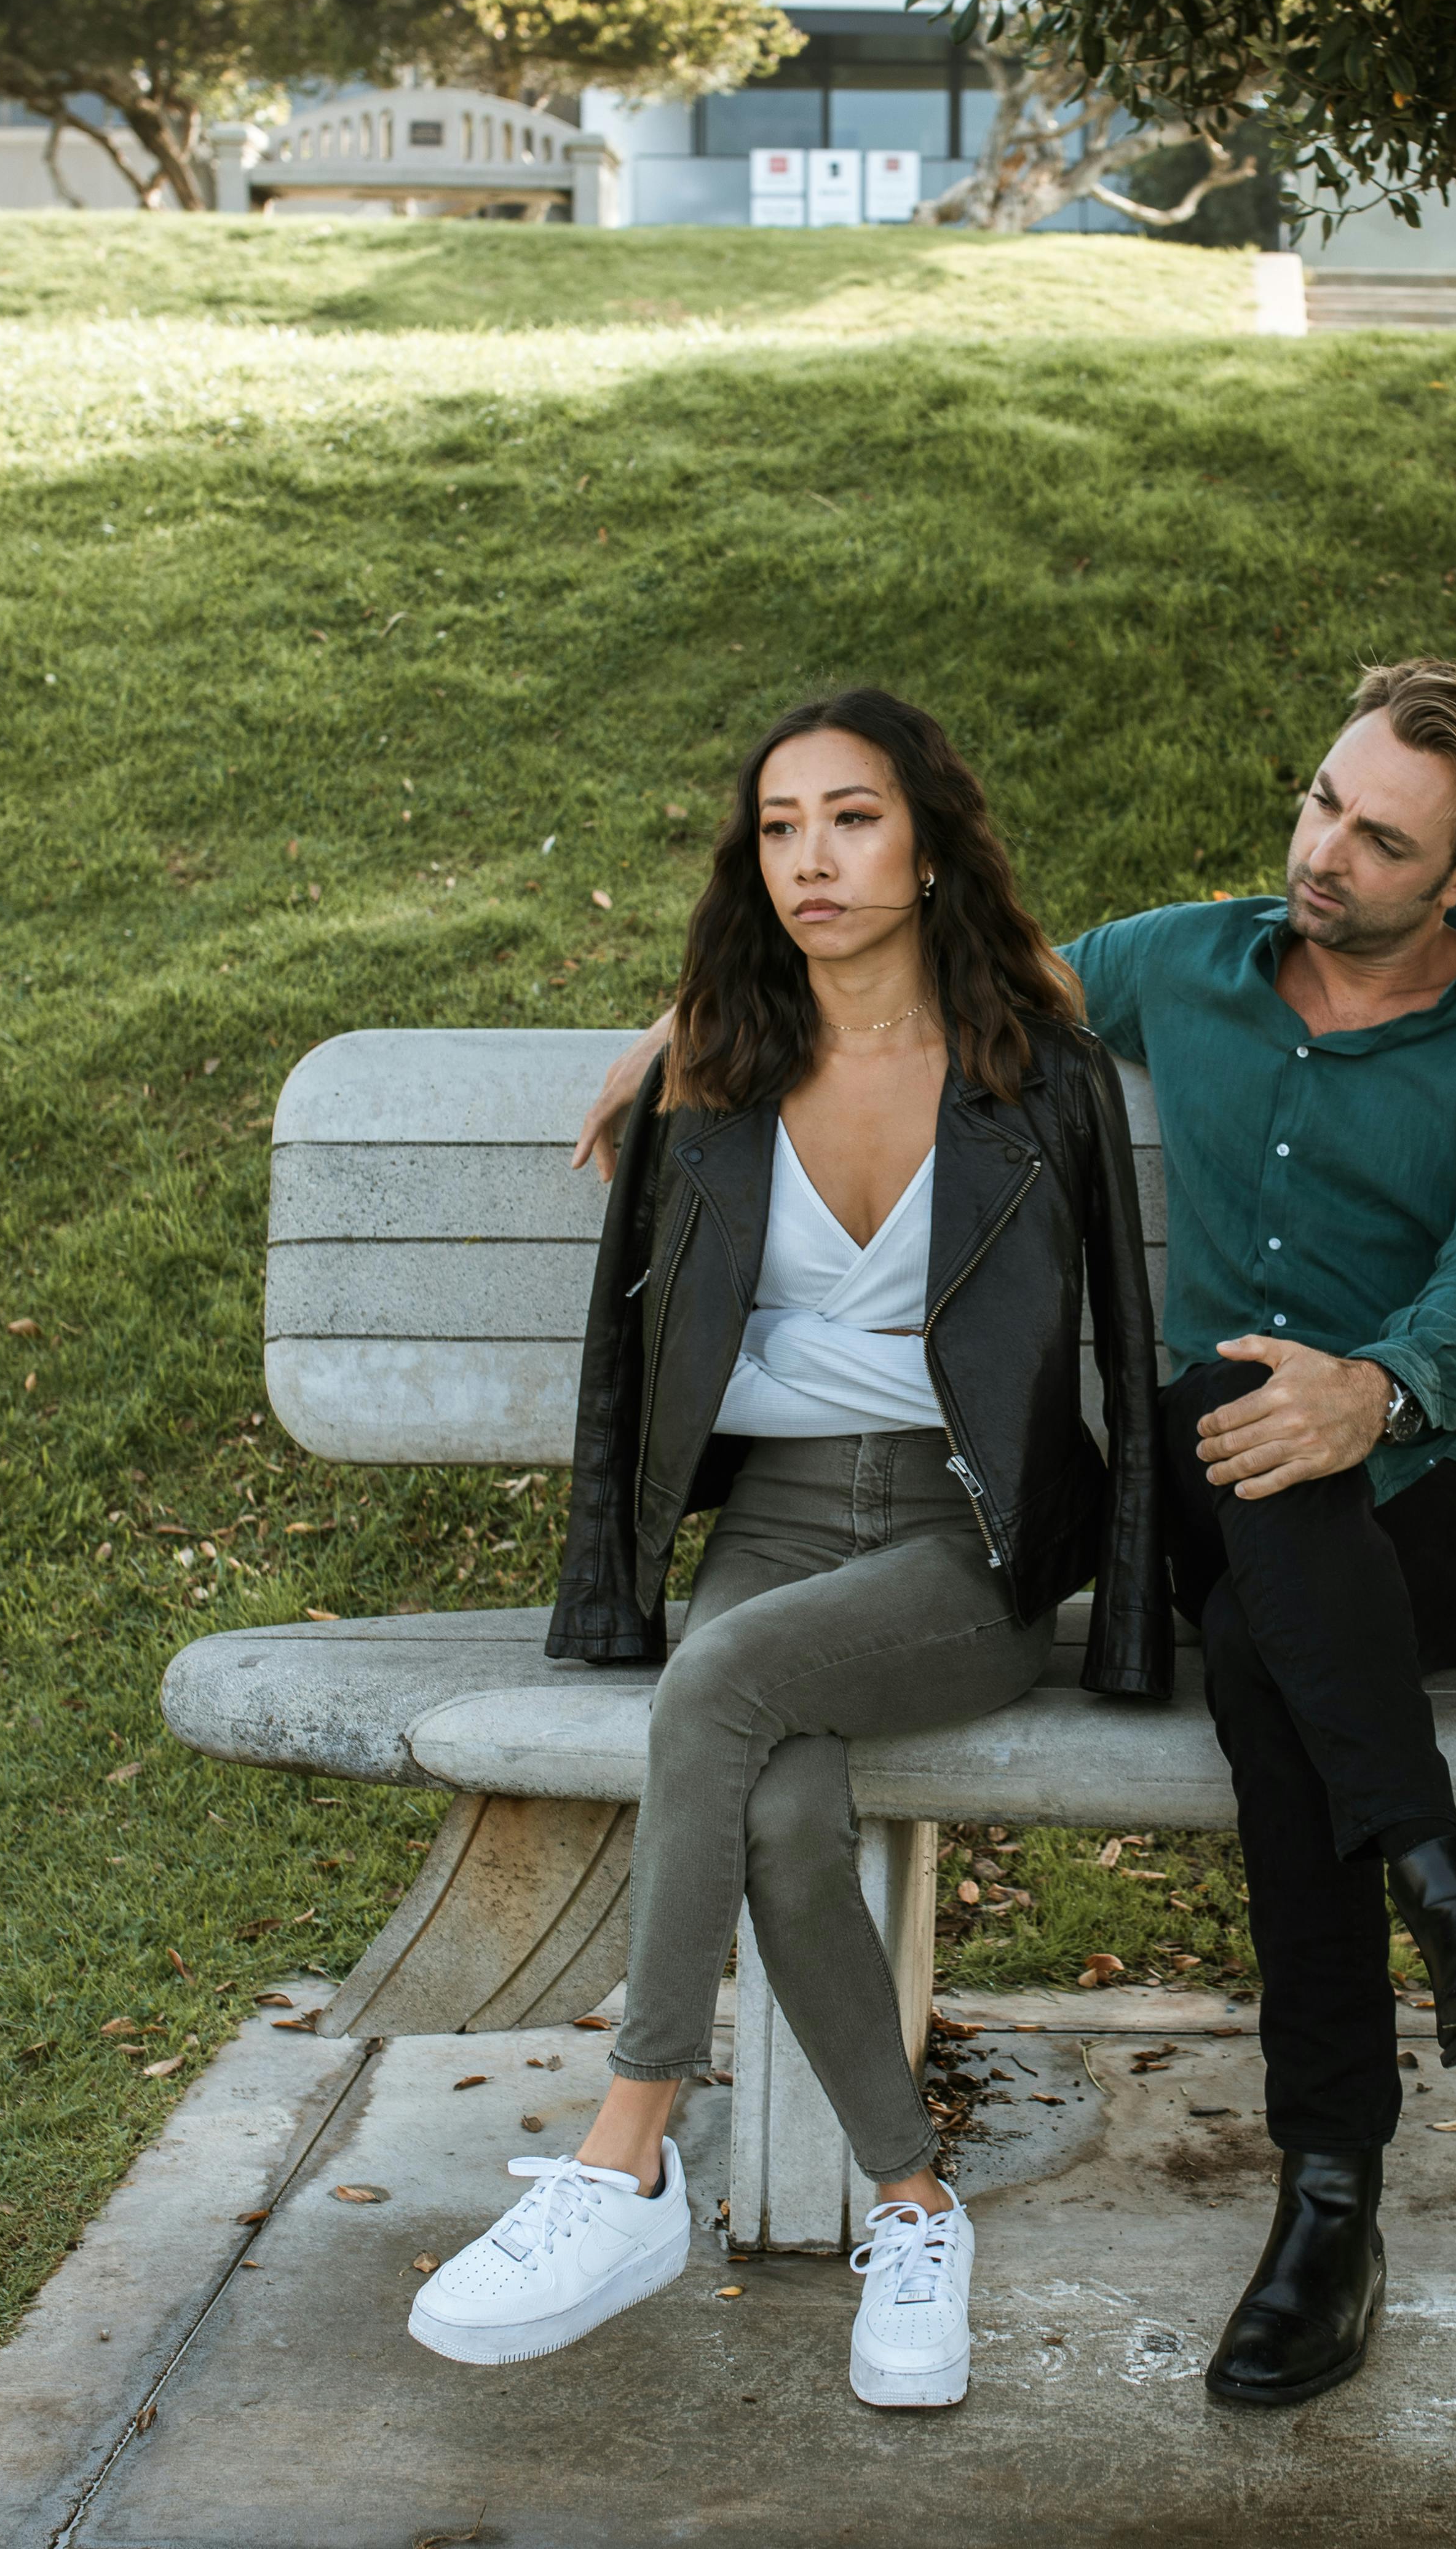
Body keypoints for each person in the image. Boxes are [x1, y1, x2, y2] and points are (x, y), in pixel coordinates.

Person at [571, 660, 1456, 2414]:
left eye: (1382, 841)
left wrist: (1378, 1391)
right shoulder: (1185, 960)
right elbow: (923, 978)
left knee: (1286, 1658)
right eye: (1320, 803)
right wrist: (688, 1030)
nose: (1327, 855)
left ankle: (1336, 2188)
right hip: (1217, 1475)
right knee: (1234, 1435)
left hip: (1435, 1495)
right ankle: (1428, 1965)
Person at [411, 689, 1166, 2411]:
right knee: (776, 1801)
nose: (811, 859)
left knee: (728, 1680)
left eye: (851, 818)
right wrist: (607, 1584)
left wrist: (1119, 1616)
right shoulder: (719, 1071)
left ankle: (623, 2159)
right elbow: (627, 1354)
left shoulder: (1037, 1077)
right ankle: (916, 2209)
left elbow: (1124, 1336)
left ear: (925, 846)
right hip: (772, 1520)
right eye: (778, 827)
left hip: (956, 1540)